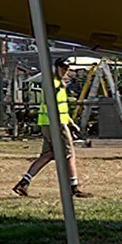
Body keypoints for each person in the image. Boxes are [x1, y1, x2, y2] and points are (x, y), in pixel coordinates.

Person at [13, 64, 91, 197]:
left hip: (50, 123)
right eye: (63, 68)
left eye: (67, 69)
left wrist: (71, 122)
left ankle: (24, 182)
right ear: (55, 68)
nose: (66, 72)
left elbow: (60, 106)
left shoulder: (55, 83)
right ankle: (74, 187)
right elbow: (52, 104)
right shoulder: (54, 84)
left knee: (48, 154)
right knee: (69, 154)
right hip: (56, 124)